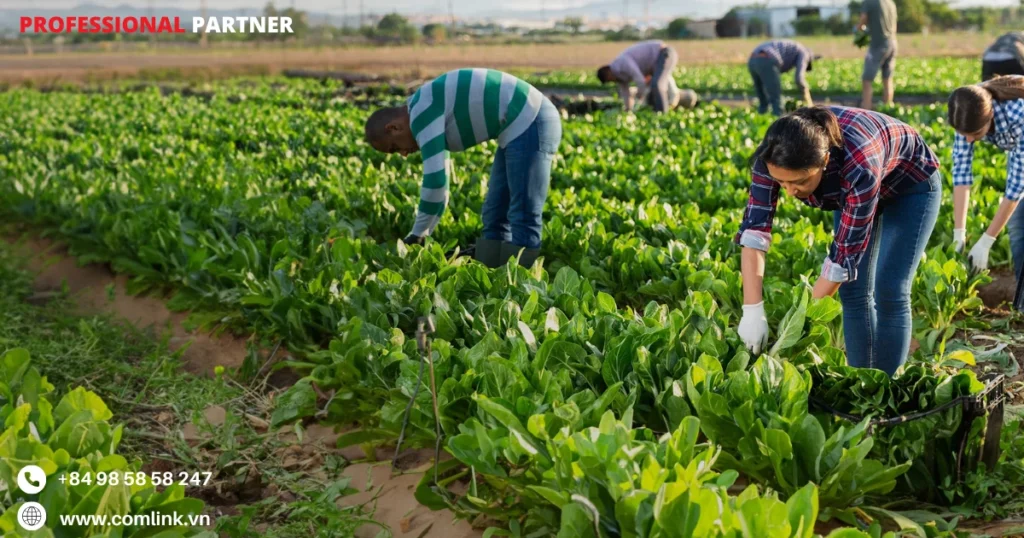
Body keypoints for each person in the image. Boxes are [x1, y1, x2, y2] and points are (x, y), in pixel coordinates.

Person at [736, 106, 941, 376]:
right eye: (780, 182)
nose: (788, 191)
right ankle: (861, 382)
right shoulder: (774, 154)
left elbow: (841, 260)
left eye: (798, 181)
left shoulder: (859, 167)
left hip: (910, 185)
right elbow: (754, 232)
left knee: (890, 289)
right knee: (853, 291)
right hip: (853, 187)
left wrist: (795, 327)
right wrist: (752, 311)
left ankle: (885, 387)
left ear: (823, 161)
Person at [364, 68, 562, 269]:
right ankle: (494, 279)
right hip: (516, 128)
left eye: (395, 148)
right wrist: (422, 233)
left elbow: (436, 184)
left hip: (532, 120)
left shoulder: (421, 113)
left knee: (523, 213)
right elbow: (442, 188)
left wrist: (417, 235)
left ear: (394, 128)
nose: (404, 154)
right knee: (495, 214)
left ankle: (523, 284)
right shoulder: (423, 106)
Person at [948, 76, 1024, 279]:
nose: (969, 140)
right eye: (964, 134)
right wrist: (959, 233)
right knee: (1016, 225)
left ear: (990, 116)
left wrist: (987, 240)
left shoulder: (1019, 117)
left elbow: (1016, 188)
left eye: (975, 133)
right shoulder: (965, 108)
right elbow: (961, 174)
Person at [598, 40, 679, 113]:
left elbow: (640, 80)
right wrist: (628, 110)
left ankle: (662, 113)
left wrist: (639, 95)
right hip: (654, 65)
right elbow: (626, 94)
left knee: (657, 84)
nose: (612, 81)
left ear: (608, 73)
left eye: (608, 79)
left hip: (663, 53)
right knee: (652, 89)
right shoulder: (619, 77)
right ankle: (658, 110)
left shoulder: (622, 63)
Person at [747, 39, 817, 116]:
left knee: (762, 96)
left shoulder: (794, 47)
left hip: (752, 60)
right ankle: (778, 118)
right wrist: (804, 88)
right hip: (767, 59)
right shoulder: (804, 53)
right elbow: (799, 78)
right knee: (776, 97)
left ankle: (761, 116)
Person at [858, 0, 897, 109]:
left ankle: (866, 110)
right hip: (892, 43)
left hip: (878, 45)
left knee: (867, 80)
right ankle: (887, 108)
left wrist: (858, 29)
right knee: (887, 78)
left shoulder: (870, 2)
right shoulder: (890, 3)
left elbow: (863, 20)